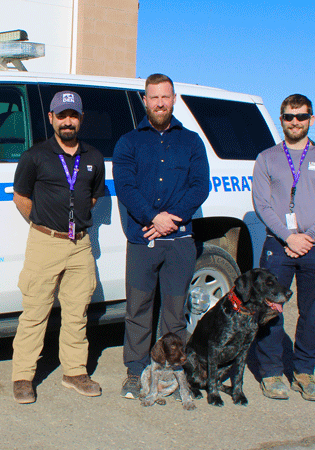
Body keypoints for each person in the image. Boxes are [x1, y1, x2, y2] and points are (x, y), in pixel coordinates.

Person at [112, 73, 210, 399]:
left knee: (174, 313)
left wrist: (170, 220)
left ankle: (172, 372)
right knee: (138, 311)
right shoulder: (128, 142)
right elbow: (126, 187)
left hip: (180, 243)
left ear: (173, 98)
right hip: (142, 241)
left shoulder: (192, 142)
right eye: (153, 97)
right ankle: (135, 372)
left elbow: (199, 187)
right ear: (144, 100)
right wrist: (153, 217)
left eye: (165, 97)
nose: (159, 103)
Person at [11, 91, 106, 404]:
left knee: (77, 312)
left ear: (80, 119)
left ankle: (75, 371)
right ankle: (23, 377)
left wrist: (71, 227)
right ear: (51, 118)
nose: (68, 121)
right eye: (62, 115)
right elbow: (21, 198)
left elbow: (92, 197)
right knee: (35, 312)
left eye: (73, 115)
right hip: (44, 242)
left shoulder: (93, 157)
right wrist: (43, 225)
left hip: (80, 244)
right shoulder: (34, 156)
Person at [252, 94, 315, 401]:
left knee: (312, 313)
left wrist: (309, 237)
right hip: (278, 246)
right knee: (271, 310)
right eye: (289, 117)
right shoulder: (267, 158)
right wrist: (289, 238)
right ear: (281, 120)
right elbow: (262, 204)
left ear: (311, 119)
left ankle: (304, 371)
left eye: (301, 117)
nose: (295, 122)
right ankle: (272, 372)